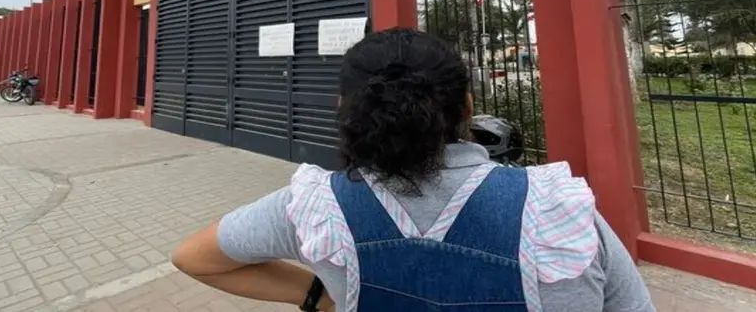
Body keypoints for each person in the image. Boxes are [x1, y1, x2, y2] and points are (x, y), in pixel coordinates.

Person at [172, 28, 655, 311]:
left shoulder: (316, 211)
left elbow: (193, 257)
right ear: (467, 107)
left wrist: (317, 296)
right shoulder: (561, 216)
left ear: (344, 109)